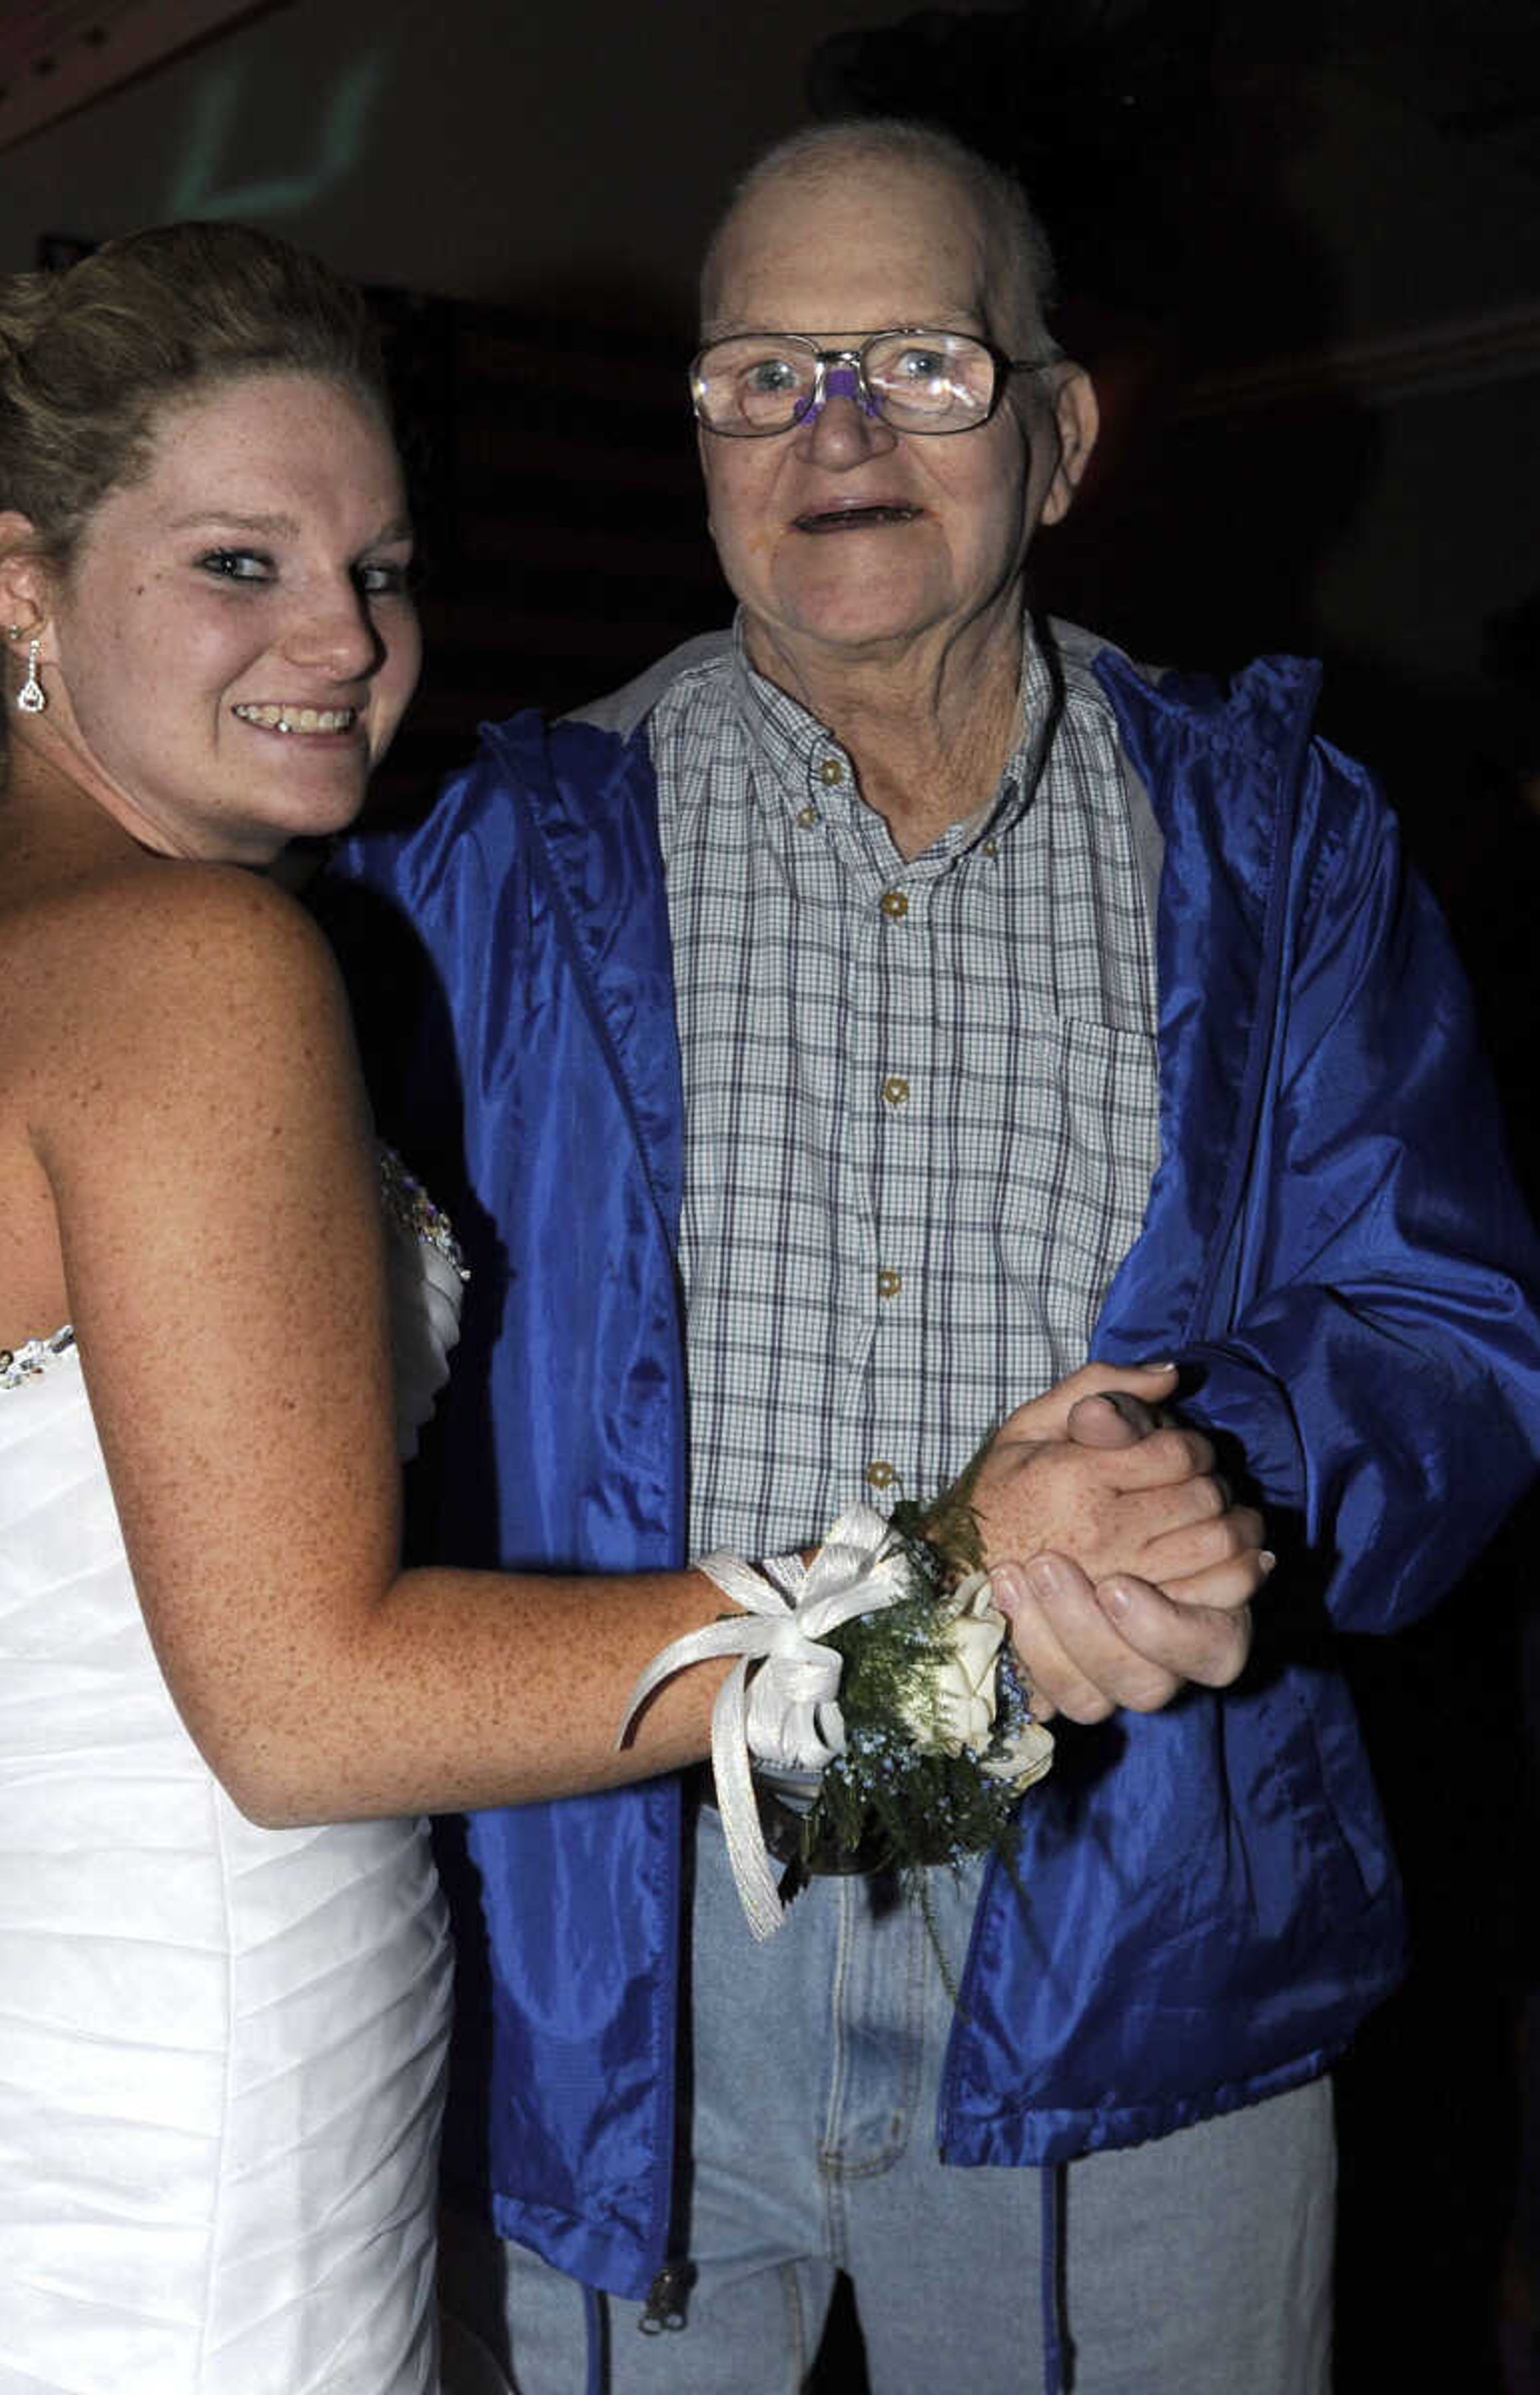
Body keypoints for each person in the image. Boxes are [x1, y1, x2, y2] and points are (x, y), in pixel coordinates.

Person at [0, 219, 1252, 2395]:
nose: (343, 641)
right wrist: (944, 1606)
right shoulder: (200, 967)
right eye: (242, 564)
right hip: (166, 2204)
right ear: (21, 588)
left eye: (380, 571)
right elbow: (309, 1708)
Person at [314, 120, 1540, 2395]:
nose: (835, 433)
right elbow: (131, 1300)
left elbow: (1449, 1327)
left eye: (916, 363)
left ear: (1062, 433)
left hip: (1128, 1924)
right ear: (695, 444)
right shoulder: (477, 866)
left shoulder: (1279, 842)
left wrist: (1225, 1477)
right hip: (620, 1943)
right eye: (762, 374)